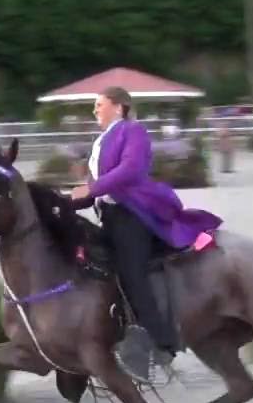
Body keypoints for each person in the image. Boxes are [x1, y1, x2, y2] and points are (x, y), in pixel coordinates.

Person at [68, 86, 223, 382]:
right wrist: (64, 203)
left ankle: (161, 342)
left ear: (119, 106)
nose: (95, 110)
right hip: (109, 215)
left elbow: (129, 170)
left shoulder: (133, 131)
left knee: (131, 272)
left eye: (99, 104)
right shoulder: (100, 141)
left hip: (134, 215)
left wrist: (92, 188)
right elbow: (94, 190)